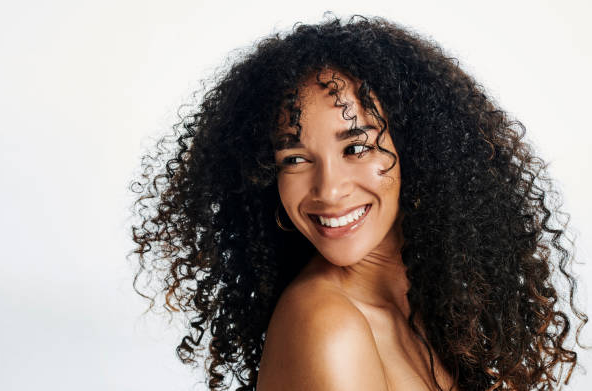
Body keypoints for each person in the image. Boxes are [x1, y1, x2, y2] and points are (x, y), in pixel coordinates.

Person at [130, 15, 588, 390]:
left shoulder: (435, 305)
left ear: (419, 151)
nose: (328, 190)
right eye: (294, 158)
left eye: (356, 148)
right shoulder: (326, 324)